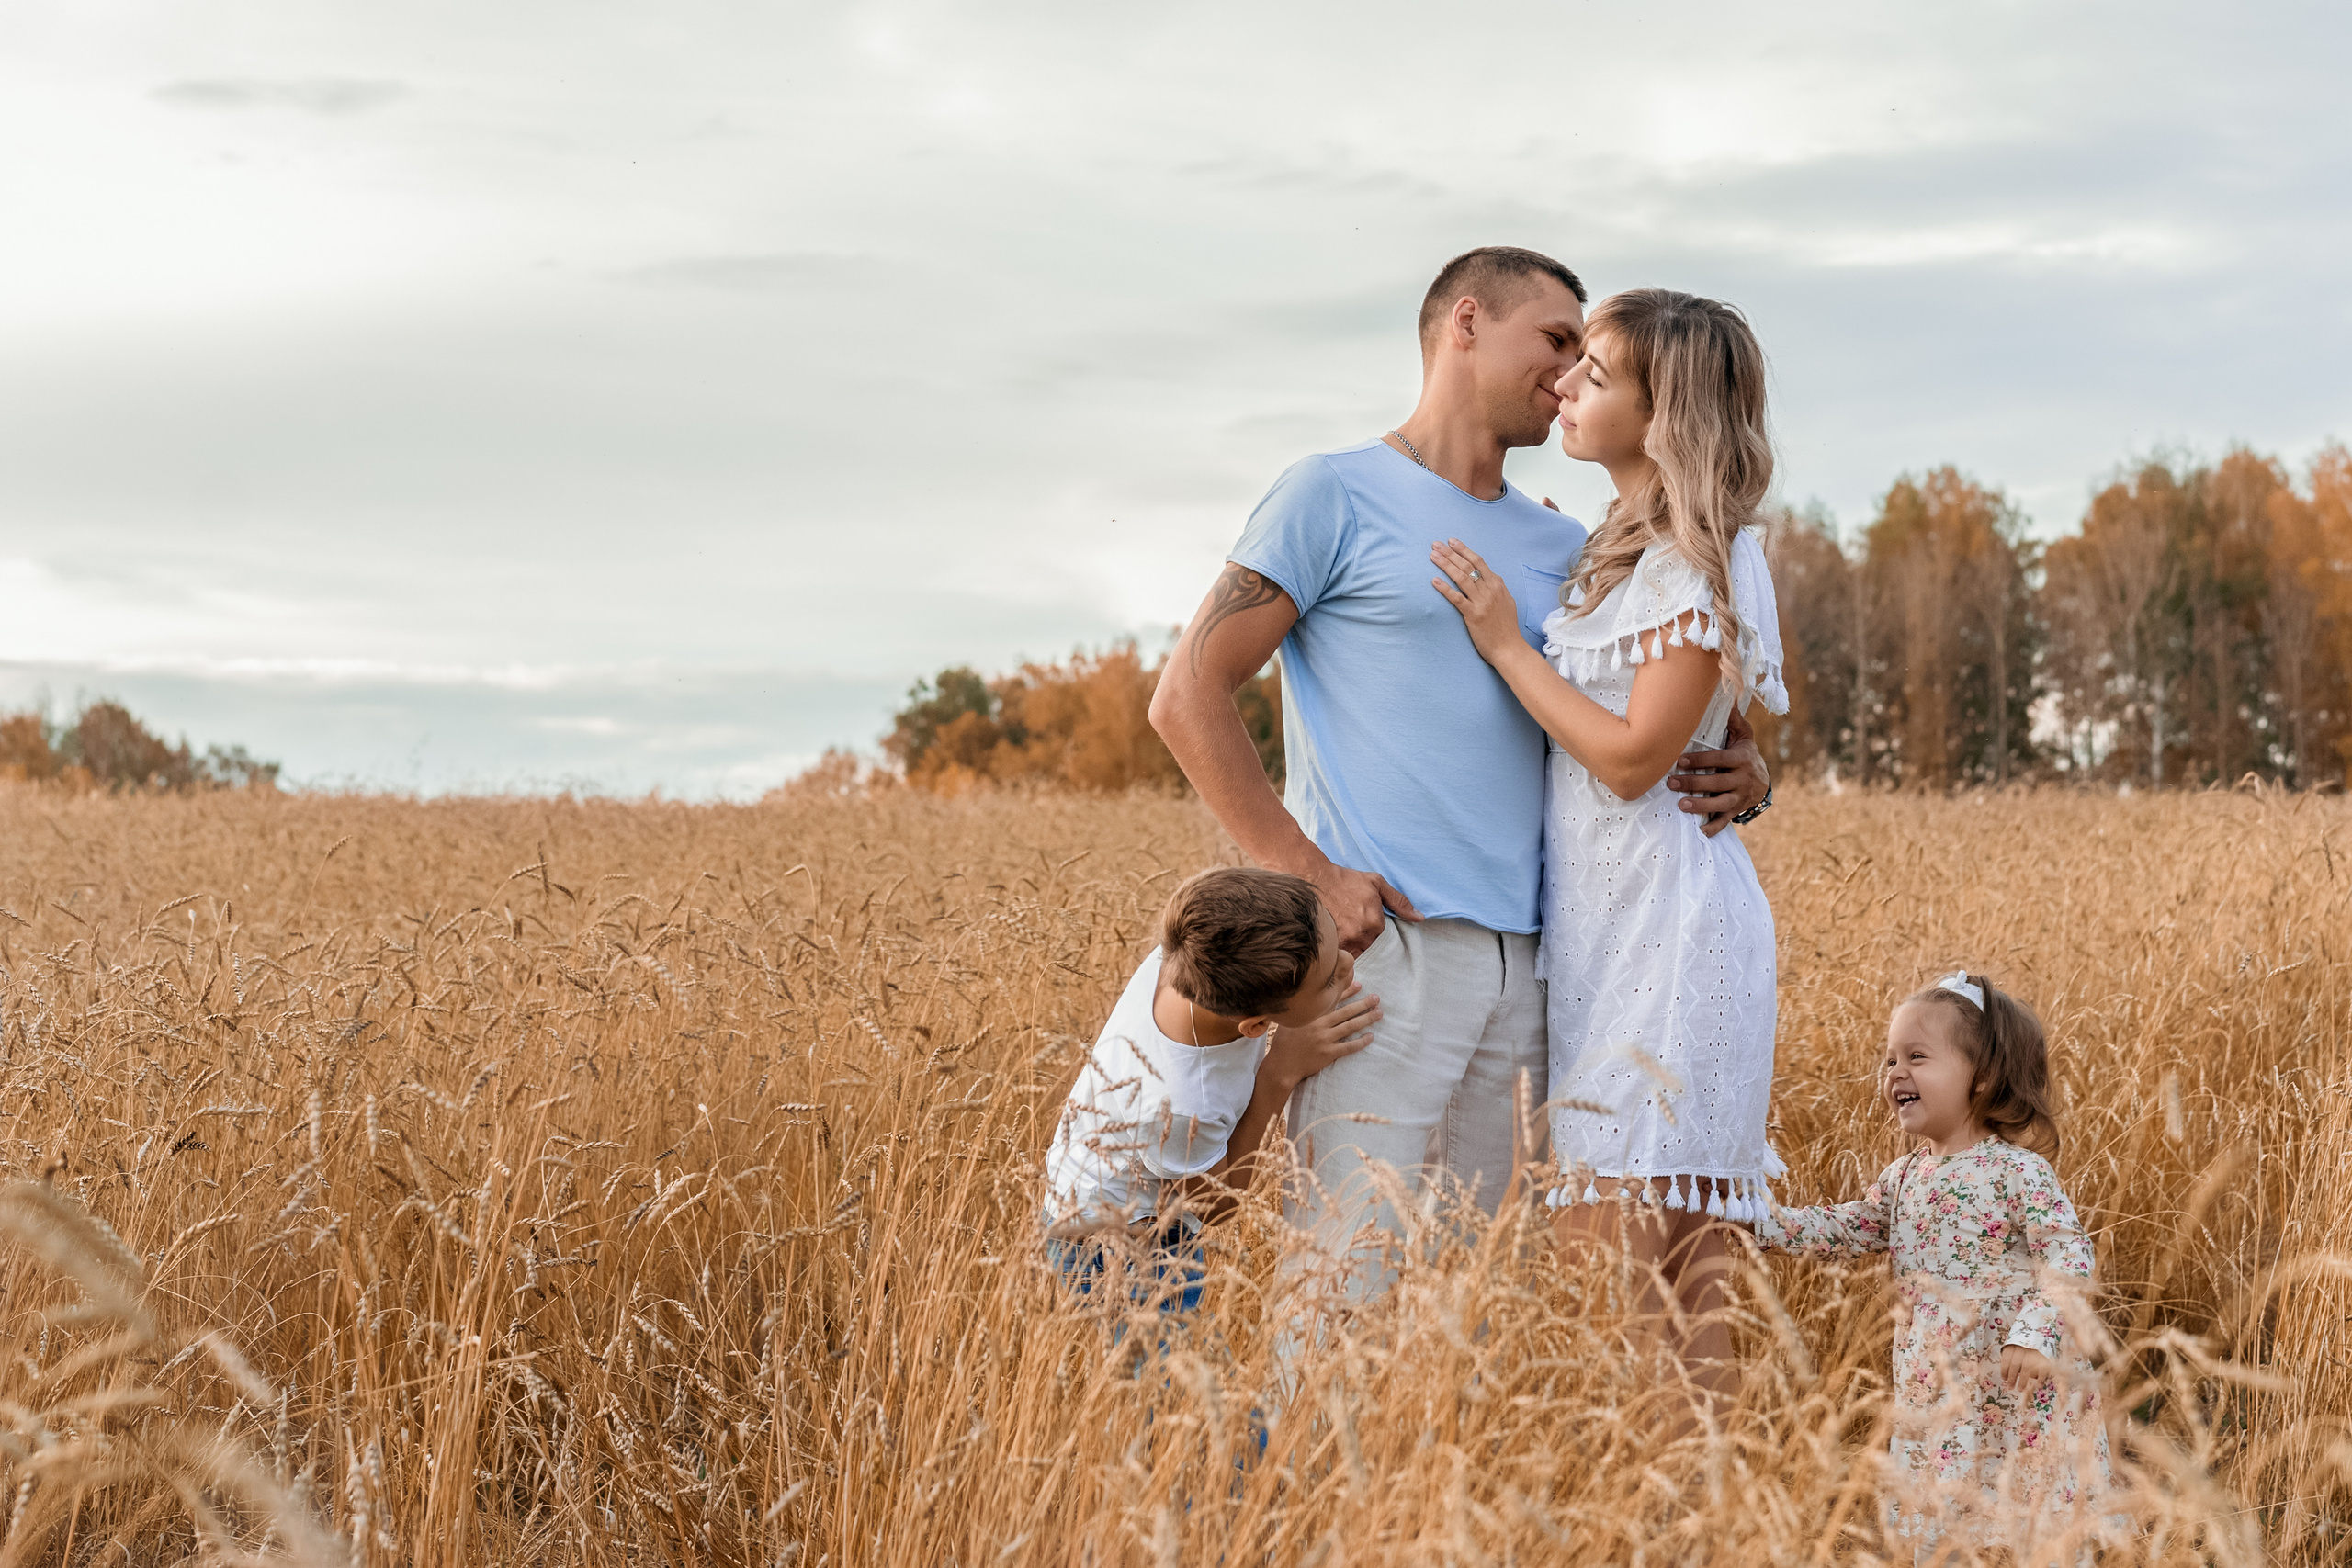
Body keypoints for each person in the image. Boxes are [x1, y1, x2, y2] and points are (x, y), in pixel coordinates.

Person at [1148, 250, 1770, 1297]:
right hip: (1383, 953)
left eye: (1586, 353)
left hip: (1543, 969)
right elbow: (1186, 695)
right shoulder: (1329, 493)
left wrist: (1748, 762)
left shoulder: (1568, 541)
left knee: (1474, 1303)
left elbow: (1650, 699)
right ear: (1466, 323)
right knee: (1346, 1284)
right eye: (1557, 339)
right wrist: (1307, 875)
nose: (1569, 371)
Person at [1428, 288, 1786, 1405]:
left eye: (1597, 372)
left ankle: (1675, 1517)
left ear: (1664, 408)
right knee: (1662, 1286)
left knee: (1647, 1275)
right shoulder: (1617, 551)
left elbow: (1634, 758)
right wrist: (1755, 770)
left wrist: (1504, 645)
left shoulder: (1697, 560)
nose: (1567, 386)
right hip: (1611, 934)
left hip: (1670, 943)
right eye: (1569, 361)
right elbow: (1739, 728)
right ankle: (1701, 1522)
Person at [1754, 973, 2114, 1562]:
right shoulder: (1903, 1178)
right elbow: (1850, 1227)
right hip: (1935, 1387)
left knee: (2029, 1521)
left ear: (1984, 1077)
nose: (1895, 1072)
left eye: (1917, 1057)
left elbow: (2069, 1253)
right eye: (1889, 1059)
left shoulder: (2017, 1171)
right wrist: (1761, 1227)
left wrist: (2036, 1332)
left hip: (2014, 1383)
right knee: (1943, 1518)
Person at [1042, 866, 1382, 1310]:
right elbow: (1216, 1205)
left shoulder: (1190, 952)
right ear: (1257, 1025)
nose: (1347, 964)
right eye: (1328, 980)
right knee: (1163, 1375)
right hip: (1120, 1245)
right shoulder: (1184, 1103)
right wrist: (1280, 1072)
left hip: (1136, 1204)